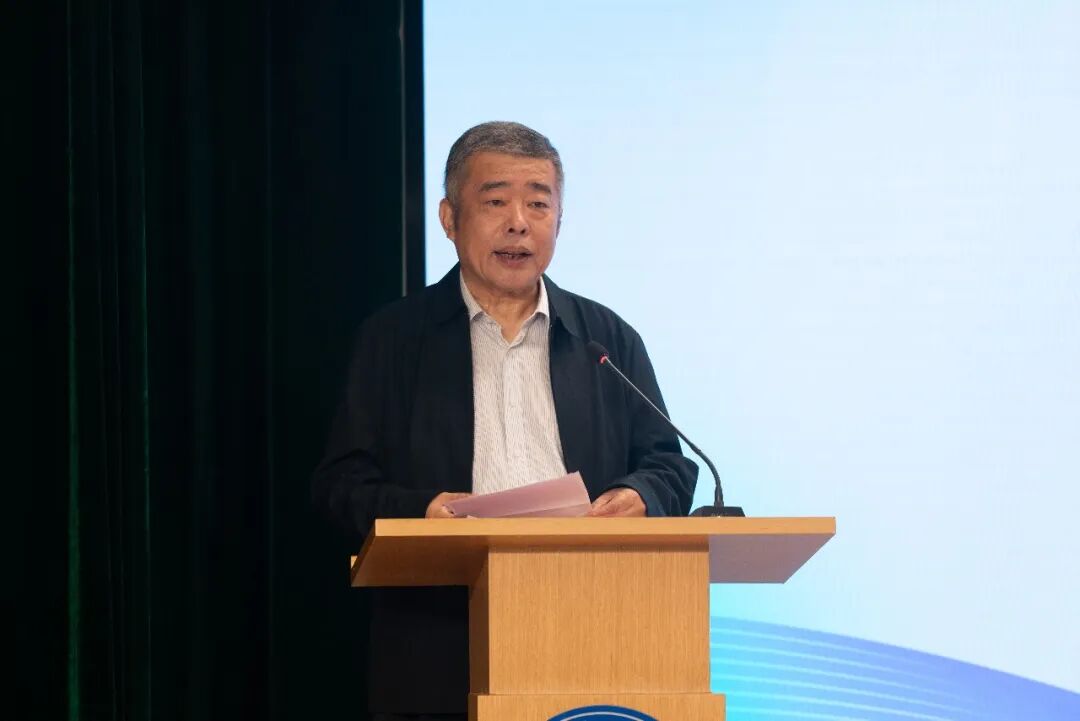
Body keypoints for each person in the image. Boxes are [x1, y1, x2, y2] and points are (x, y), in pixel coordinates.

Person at [311, 121, 697, 721]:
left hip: (595, 628)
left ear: (559, 221)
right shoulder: (392, 341)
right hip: (440, 642)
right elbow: (342, 483)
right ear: (449, 218)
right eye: (495, 202)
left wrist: (640, 493)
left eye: (539, 204)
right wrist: (423, 511)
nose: (519, 222)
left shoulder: (606, 339)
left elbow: (670, 464)